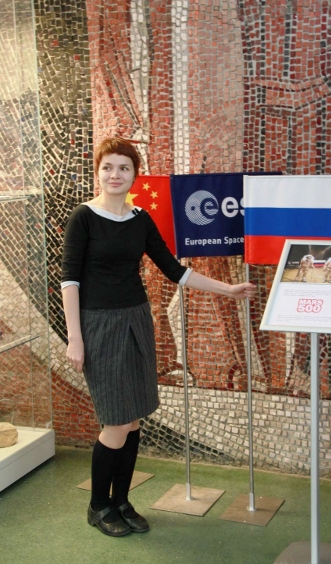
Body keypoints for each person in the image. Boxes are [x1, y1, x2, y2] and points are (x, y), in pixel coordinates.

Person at [61, 137, 256, 538]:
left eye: (123, 167)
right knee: (116, 421)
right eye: (107, 167)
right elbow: (70, 281)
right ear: (98, 172)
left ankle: (121, 501)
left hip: (136, 320)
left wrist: (228, 289)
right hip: (98, 325)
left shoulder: (141, 219)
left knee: (133, 420)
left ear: (135, 174)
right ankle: (98, 506)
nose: (115, 175)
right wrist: (74, 338)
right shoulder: (84, 217)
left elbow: (175, 270)